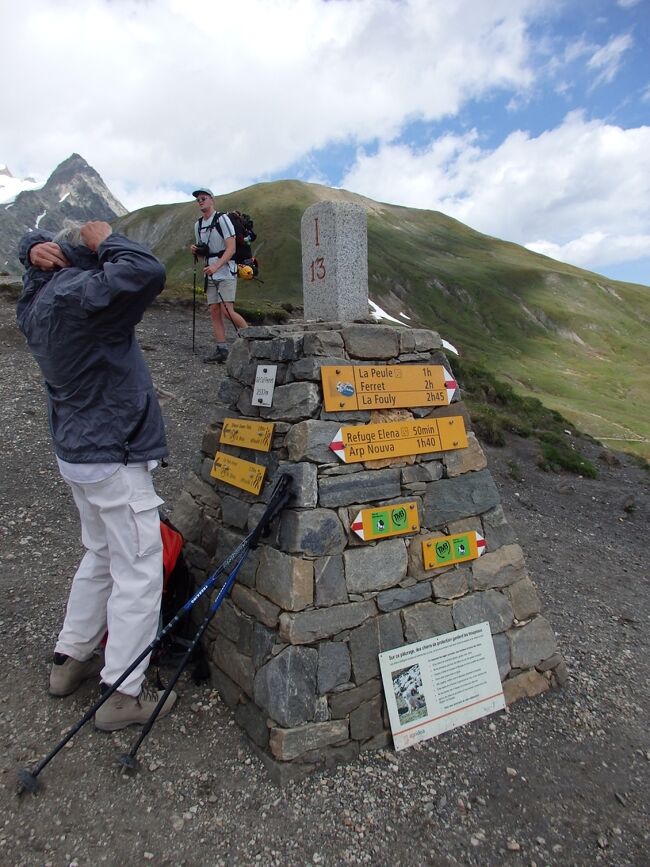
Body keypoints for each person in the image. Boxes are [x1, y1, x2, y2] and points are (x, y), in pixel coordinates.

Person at [17, 221, 177, 731]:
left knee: (102, 553)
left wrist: (29, 251)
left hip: (76, 451)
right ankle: (122, 693)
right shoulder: (81, 296)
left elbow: (37, 264)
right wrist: (104, 238)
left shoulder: (34, 303)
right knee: (139, 567)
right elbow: (146, 271)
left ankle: (71, 659)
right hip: (114, 452)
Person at [189, 187, 248, 363]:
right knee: (214, 311)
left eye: (203, 198)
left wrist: (216, 266)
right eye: (198, 199)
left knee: (227, 311)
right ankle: (222, 349)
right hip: (211, 271)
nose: (200, 201)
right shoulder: (197, 225)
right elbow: (204, 251)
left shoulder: (222, 219)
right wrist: (196, 251)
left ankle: (253, 339)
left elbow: (231, 248)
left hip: (226, 270)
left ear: (212, 200)